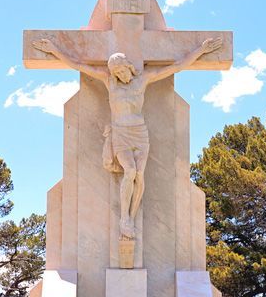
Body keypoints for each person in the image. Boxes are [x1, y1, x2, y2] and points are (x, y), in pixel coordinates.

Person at [32, 37, 223, 239]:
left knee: (140, 174)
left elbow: (175, 66)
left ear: (129, 67)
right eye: (117, 73)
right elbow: (79, 64)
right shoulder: (109, 83)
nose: (121, 75)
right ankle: (125, 218)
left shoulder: (143, 80)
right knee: (129, 171)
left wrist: (200, 51)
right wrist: (54, 50)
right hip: (121, 134)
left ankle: (131, 216)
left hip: (140, 133)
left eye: (122, 70)